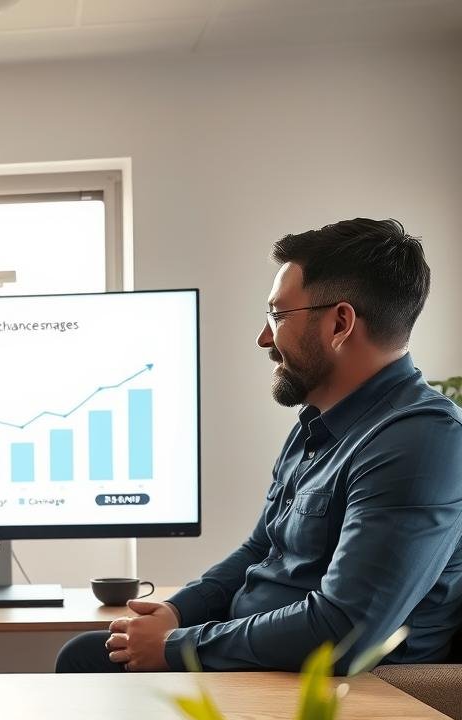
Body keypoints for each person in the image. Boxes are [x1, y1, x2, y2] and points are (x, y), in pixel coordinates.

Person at [57, 217, 462, 675]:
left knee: (89, 664)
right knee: (87, 655)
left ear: (340, 323)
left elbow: (345, 628)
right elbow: (260, 550)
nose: (264, 337)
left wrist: (176, 647)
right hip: (263, 660)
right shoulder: (318, 425)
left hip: (335, 695)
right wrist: (179, 611)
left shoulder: (420, 440)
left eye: (277, 315)